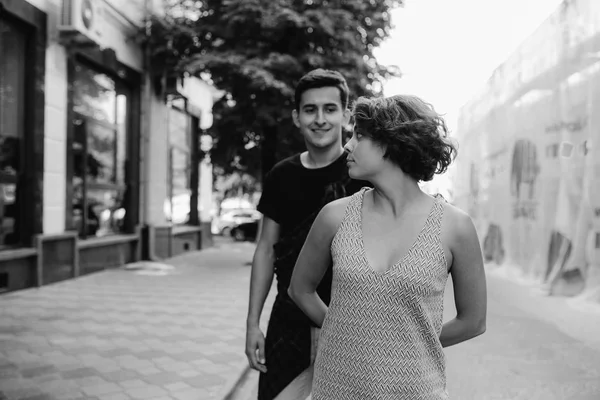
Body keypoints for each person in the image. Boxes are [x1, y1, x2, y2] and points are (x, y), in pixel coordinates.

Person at [289, 94, 487, 399]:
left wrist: (406, 341)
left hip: (417, 391)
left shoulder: (455, 227)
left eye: (360, 136)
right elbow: (300, 289)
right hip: (336, 389)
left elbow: (473, 322)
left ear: (393, 142)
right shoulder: (335, 216)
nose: (347, 146)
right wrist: (349, 333)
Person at [245, 69, 368, 400]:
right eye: (310, 109)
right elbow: (266, 250)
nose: (320, 119)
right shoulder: (281, 175)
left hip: (352, 323)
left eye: (330, 109)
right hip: (288, 323)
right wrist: (253, 323)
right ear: (296, 117)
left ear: (345, 116)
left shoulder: (364, 174)